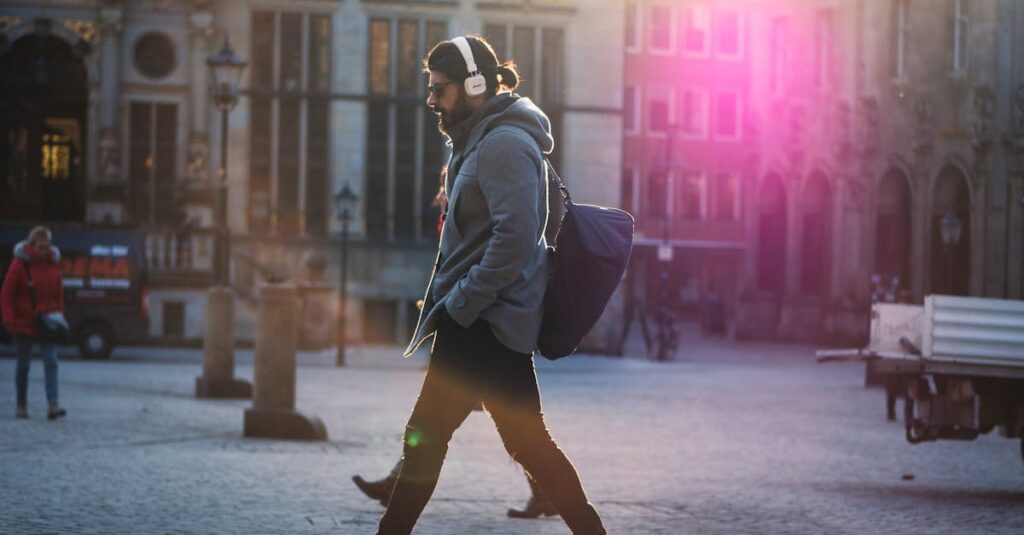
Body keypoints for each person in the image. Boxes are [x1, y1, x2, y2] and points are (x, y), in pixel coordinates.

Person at [375, 35, 604, 534]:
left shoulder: (502, 143)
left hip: (483, 322)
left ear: (474, 85)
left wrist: (463, 301)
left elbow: (518, 237)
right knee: (529, 445)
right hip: (493, 321)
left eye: (441, 89)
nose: (432, 99)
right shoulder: (482, 139)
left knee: (426, 436)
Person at [353, 166, 558, 519]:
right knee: (511, 431)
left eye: (447, 187)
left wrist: (460, 305)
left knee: (441, 428)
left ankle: (395, 486)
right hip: (473, 335)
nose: (443, 193)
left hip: (480, 338)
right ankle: (548, 495)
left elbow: (494, 254)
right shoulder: (455, 216)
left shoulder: (473, 209)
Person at [2, 226, 67, 420]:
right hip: (24, 321)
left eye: (47, 247)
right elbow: (7, 294)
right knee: (24, 365)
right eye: (40, 247)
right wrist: (9, 319)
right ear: (31, 246)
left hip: (47, 320)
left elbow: (59, 293)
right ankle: (21, 405)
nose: (44, 251)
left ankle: (53, 404)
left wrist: (59, 314)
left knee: (51, 362)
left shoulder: (53, 264)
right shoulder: (20, 264)